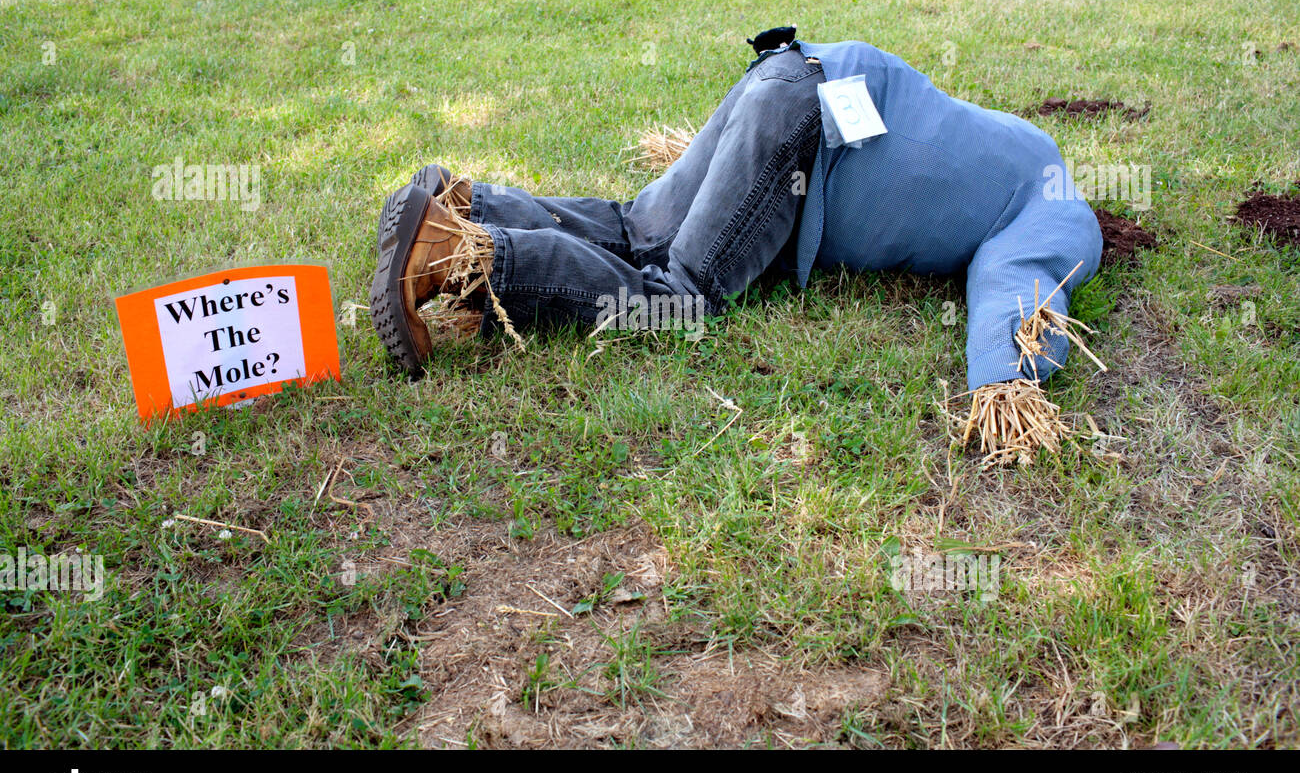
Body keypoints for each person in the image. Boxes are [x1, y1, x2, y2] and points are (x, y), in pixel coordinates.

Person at [369, 28, 1103, 460]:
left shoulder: (1024, 138)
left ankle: (462, 204)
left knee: (638, 229)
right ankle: (453, 253)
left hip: (792, 72)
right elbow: (1023, 280)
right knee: (680, 298)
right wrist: (1007, 384)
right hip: (809, 130)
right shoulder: (1060, 204)